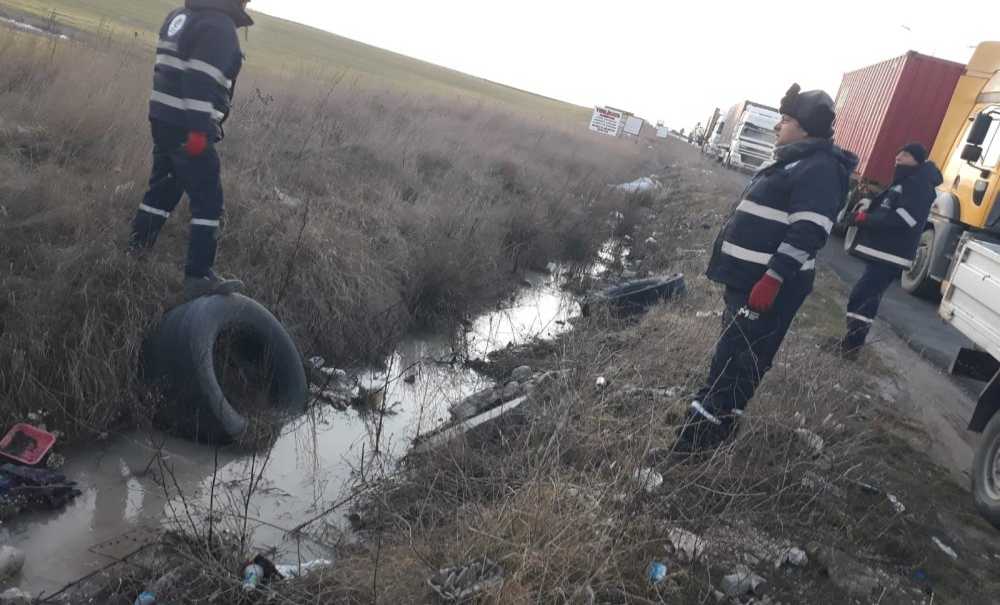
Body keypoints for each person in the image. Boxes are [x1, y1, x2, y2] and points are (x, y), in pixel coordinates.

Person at [674, 84, 859, 455]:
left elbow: (810, 230)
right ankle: (711, 430)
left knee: (737, 363)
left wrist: (773, 278)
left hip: (766, 285)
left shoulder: (818, 168)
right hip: (750, 282)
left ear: (805, 128)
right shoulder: (796, 160)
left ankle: (694, 449)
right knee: (733, 358)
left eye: (786, 120)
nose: (777, 127)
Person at [129, 0, 253, 301]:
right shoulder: (219, 26)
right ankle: (199, 276)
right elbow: (199, 81)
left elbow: (167, 70)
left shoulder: (180, 16)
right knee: (208, 201)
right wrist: (198, 131)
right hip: (188, 127)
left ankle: (135, 251)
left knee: (162, 190)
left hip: (163, 118)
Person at [840, 143, 942, 358]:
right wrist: (871, 205)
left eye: (904, 155)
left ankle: (851, 348)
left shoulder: (919, 184)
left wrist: (866, 219)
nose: (898, 158)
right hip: (883, 251)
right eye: (897, 154)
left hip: (891, 253)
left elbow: (904, 218)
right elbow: (891, 205)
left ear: (917, 160)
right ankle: (849, 343)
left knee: (864, 297)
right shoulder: (907, 180)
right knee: (863, 296)